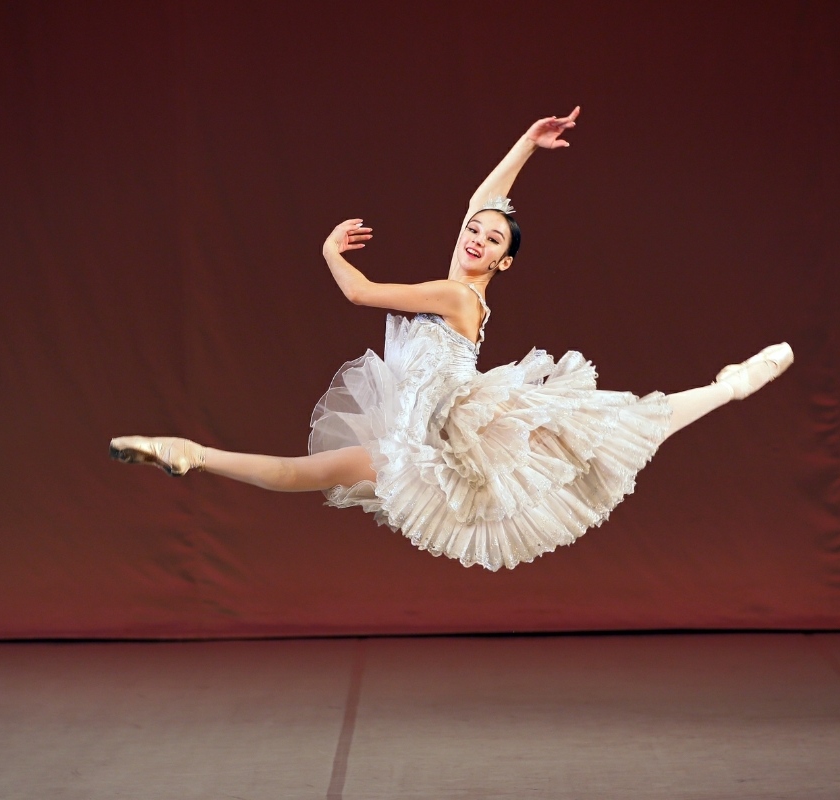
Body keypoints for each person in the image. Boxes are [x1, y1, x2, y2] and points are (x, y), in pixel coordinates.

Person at [110, 107, 793, 571]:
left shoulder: (457, 296)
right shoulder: (460, 276)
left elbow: (358, 293)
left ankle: (731, 386)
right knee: (299, 474)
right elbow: (480, 200)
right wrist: (527, 144)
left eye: (491, 239)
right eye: (474, 230)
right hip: (416, 435)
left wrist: (327, 251)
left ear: (504, 263)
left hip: (453, 431)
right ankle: (191, 454)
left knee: (624, 422)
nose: (476, 236)